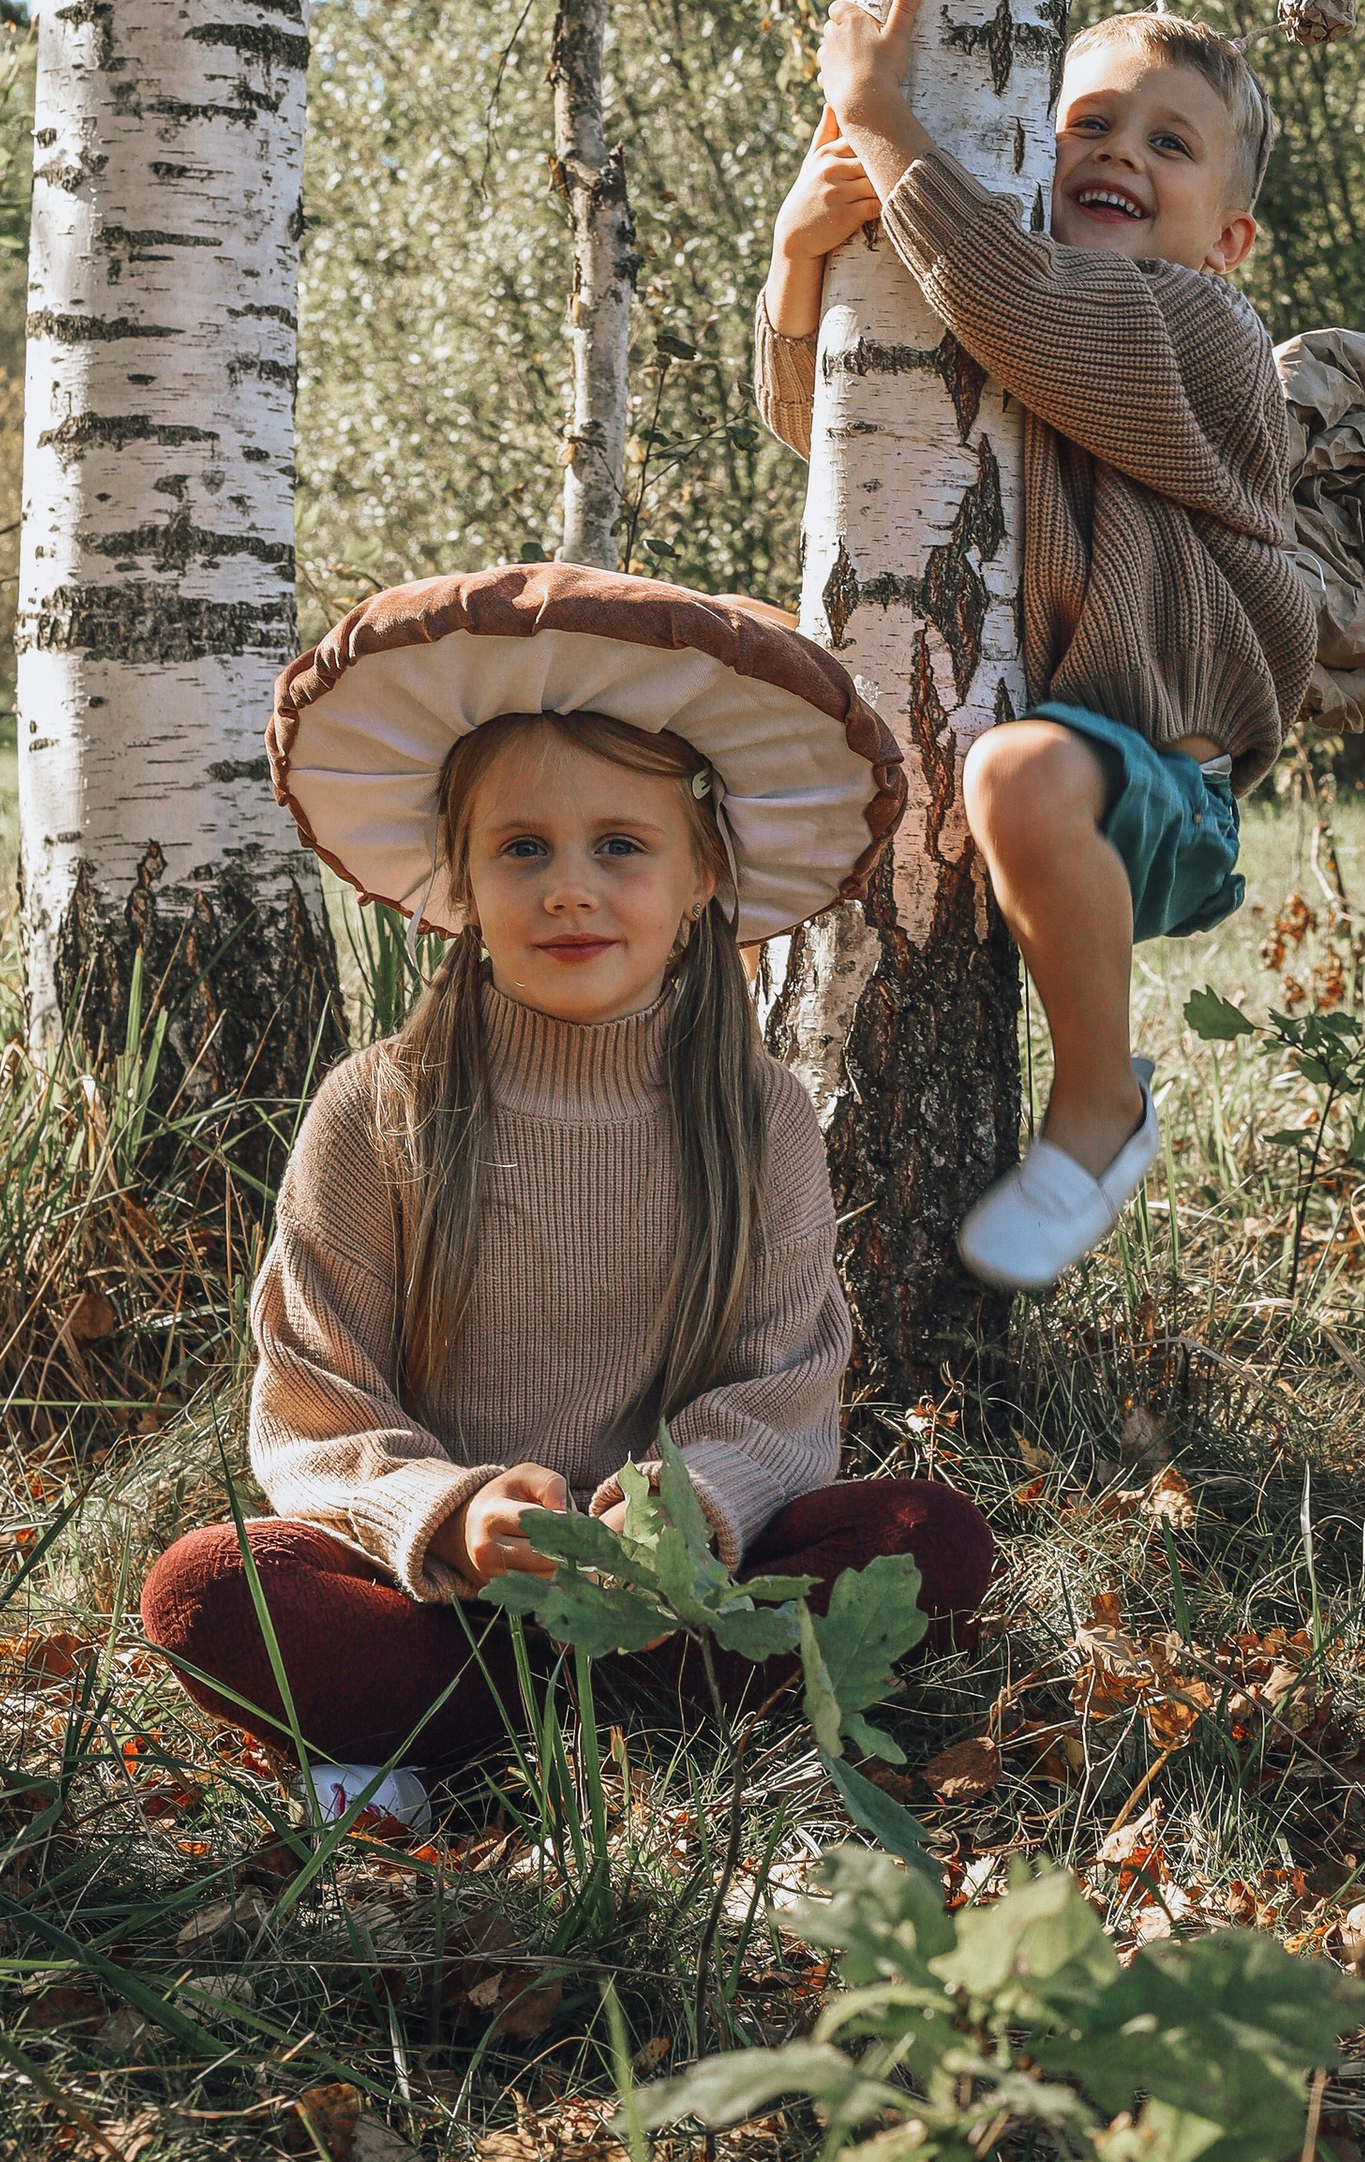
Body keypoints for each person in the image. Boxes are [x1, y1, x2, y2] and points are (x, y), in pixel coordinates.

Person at [139, 564, 993, 1818]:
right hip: (446, 1592)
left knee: (931, 1537)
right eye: (522, 848)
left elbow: (784, 1384)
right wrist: (453, 1513)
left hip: (679, 1596)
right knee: (207, 1590)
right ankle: (574, 1721)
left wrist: (690, 1511)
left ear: (703, 876)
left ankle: (469, 1738)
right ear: (460, 879)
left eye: (621, 847)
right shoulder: (376, 1108)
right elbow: (318, 1402)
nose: (570, 887)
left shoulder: (759, 1117)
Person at [758, 0, 1317, 1294]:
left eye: (1170, 142)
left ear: (1228, 239)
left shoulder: (1195, 328)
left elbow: (1026, 306)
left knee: (1021, 771)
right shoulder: (1028, 324)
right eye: (1091, 124)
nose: (1122, 153)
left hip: (1158, 787)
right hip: (1037, 768)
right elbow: (835, 441)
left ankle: (1101, 1106)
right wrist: (798, 263)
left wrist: (881, 121)